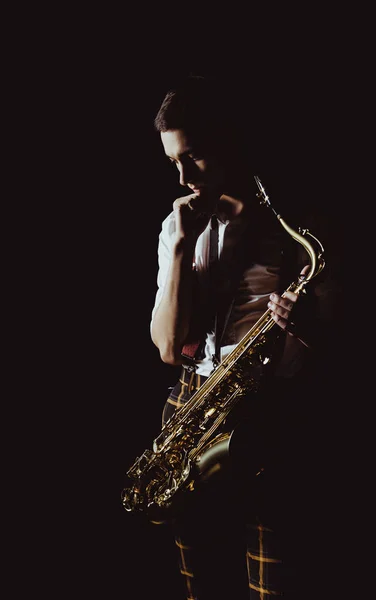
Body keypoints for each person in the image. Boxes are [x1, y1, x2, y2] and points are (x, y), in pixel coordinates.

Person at [146, 75, 340, 600]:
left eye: (195, 157)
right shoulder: (176, 227)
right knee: (201, 584)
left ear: (228, 141)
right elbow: (168, 348)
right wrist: (183, 248)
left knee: (273, 587)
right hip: (192, 404)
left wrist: (305, 323)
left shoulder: (294, 223)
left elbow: (339, 337)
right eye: (174, 163)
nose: (184, 176)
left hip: (267, 408)